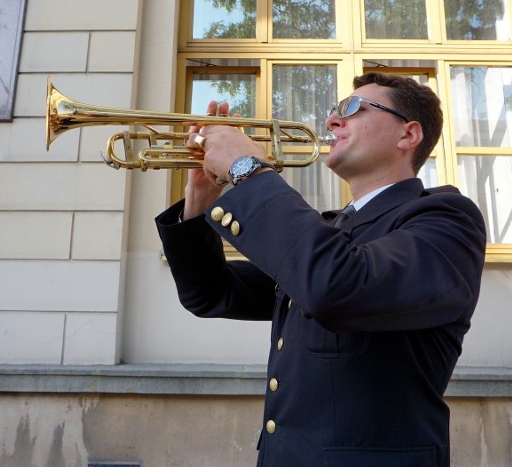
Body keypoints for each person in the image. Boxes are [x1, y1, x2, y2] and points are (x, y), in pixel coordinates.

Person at [155, 72, 487, 467]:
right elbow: (210, 294)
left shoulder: (446, 220)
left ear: (408, 135)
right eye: (334, 111)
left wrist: (248, 170)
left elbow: (337, 285)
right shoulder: (328, 232)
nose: (332, 120)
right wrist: (199, 199)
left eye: (352, 108)